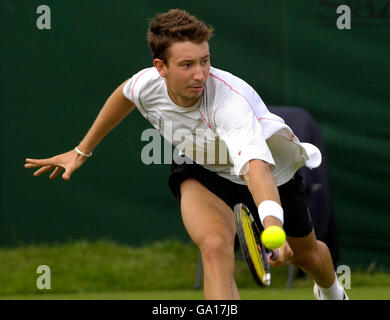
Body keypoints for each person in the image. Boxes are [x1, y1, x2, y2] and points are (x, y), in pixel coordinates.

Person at [24, 9, 348, 300]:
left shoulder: (228, 104)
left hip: (270, 173)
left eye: (205, 61)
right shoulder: (147, 85)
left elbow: (255, 170)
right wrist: (82, 151)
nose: (199, 74)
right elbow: (122, 96)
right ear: (160, 67)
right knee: (214, 246)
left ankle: (331, 291)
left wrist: (273, 229)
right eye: (187, 65)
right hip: (201, 166)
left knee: (306, 255)